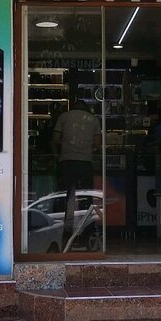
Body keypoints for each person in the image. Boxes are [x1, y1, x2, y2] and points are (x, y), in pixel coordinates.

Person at [52, 98, 101, 241]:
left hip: (66, 161)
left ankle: (61, 229)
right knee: (86, 197)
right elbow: (97, 144)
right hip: (85, 162)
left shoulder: (63, 117)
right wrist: (86, 147)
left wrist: (64, 148)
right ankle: (87, 230)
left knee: (64, 196)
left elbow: (55, 139)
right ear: (86, 108)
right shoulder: (93, 119)